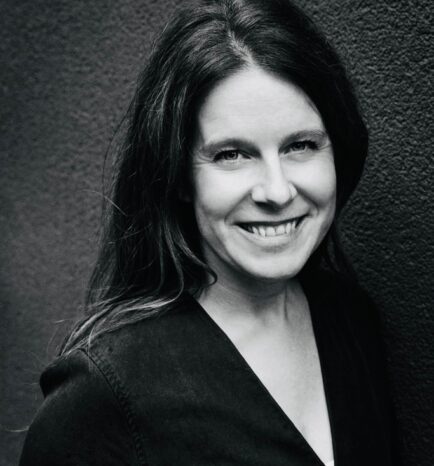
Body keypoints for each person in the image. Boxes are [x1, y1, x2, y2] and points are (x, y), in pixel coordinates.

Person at [20, 0, 400, 464]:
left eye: (301, 145)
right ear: (178, 176)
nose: (277, 191)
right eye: (231, 155)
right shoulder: (103, 394)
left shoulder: (351, 319)